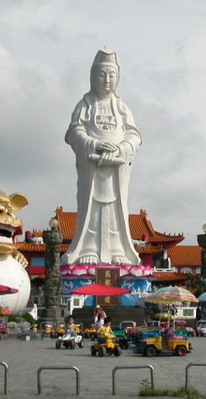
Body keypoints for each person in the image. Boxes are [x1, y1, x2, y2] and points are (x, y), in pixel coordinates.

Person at [62, 49, 142, 266]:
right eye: (102, 74)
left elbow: (134, 135)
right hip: (92, 167)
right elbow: (74, 133)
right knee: (91, 206)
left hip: (116, 168)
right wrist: (94, 144)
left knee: (117, 207)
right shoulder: (86, 104)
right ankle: (88, 248)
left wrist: (121, 148)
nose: (107, 80)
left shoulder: (122, 107)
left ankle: (117, 249)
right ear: (92, 76)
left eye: (111, 75)